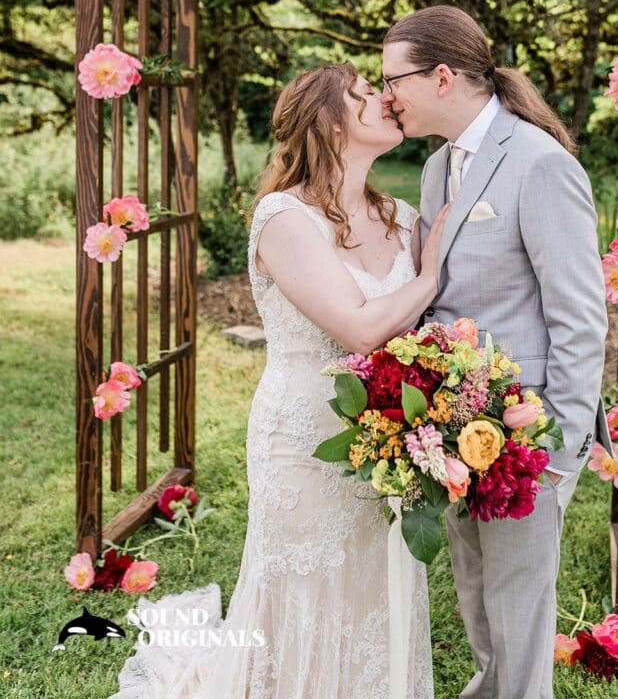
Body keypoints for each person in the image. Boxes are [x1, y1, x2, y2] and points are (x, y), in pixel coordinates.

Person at [111, 61, 449, 699]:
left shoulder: (402, 217)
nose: (384, 99)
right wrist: (429, 277)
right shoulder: (283, 218)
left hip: (386, 438)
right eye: (364, 94)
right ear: (327, 121)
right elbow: (358, 328)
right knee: (303, 586)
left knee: (377, 582)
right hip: (302, 441)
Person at [382, 6, 609, 699]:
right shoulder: (433, 169)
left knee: (518, 604)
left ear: (442, 76)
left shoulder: (539, 165)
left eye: (393, 79)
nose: (385, 94)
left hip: (526, 433)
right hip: (454, 428)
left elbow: (578, 315)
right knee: (477, 595)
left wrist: (559, 450)